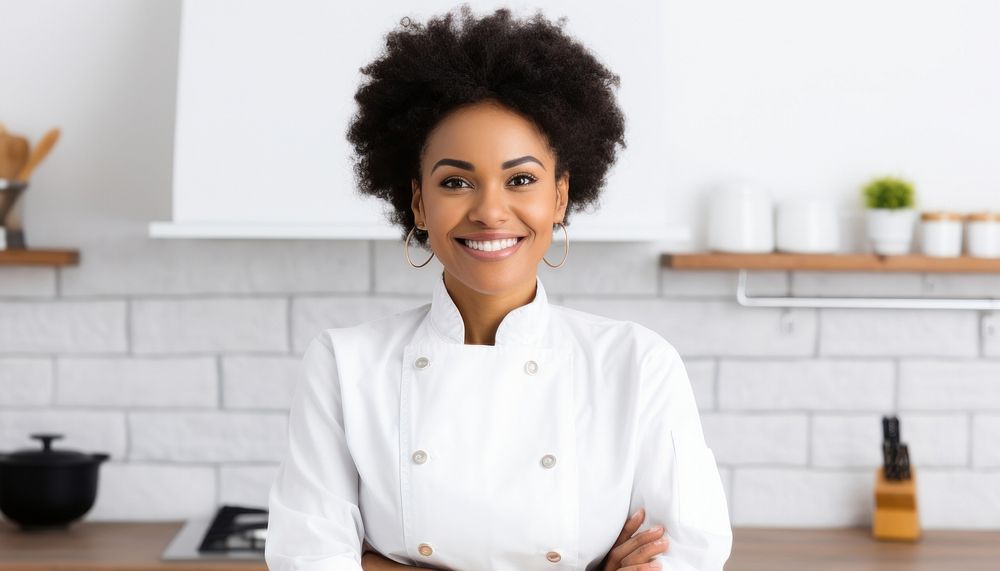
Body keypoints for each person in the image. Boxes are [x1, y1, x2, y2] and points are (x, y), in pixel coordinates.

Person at [265, 5, 732, 570]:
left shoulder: (638, 365)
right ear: (418, 201)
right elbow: (307, 561)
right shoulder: (344, 365)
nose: (490, 211)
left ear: (559, 197)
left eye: (522, 180)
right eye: (456, 181)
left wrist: (374, 563)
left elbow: (689, 557)